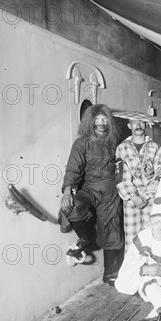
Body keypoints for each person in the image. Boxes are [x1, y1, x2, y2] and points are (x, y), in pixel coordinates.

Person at [60, 103, 124, 286]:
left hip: (111, 193)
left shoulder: (114, 144)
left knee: (112, 232)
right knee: (71, 208)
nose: (101, 123)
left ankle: (110, 274)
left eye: (105, 119)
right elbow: (73, 169)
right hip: (89, 189)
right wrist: (67, 191)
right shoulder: (82, 143)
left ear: (109, 122)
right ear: (90, 122)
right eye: (97, 120)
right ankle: (86, 238)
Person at [114, 112, 161, 252]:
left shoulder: (155, 148)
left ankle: (152, 270)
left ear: (146, 125)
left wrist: (147, 196)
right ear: (129, 125)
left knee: (152, 237)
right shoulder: (122, 148)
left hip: (151, 200)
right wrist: (134, 197)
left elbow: (159, 175)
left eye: (141, 122)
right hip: (131, 201)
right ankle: (132, 272)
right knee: (131, 239)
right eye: (134, 122)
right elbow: (120, 176)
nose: (138, 125)